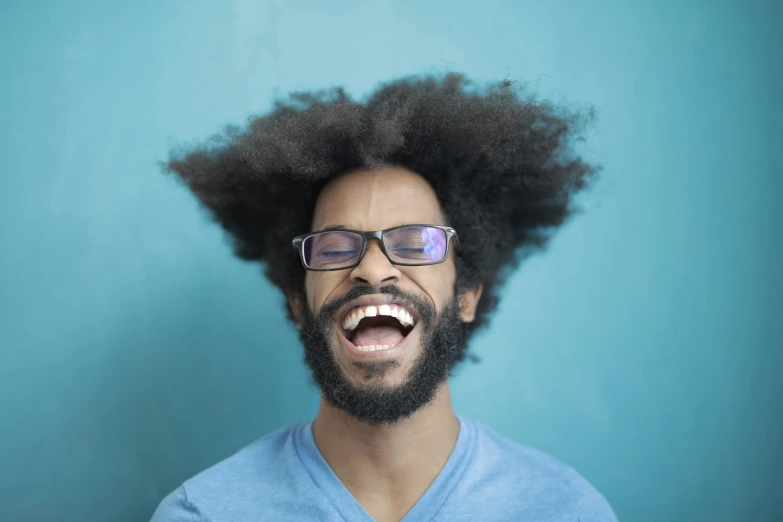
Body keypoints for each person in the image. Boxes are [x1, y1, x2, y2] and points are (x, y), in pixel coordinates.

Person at [150, 73, 616, 522]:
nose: (373, 269)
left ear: (466, 295)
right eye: (334, 247)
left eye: (416, 242)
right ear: (298, 303)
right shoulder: (203, 514)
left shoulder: (563, 511)